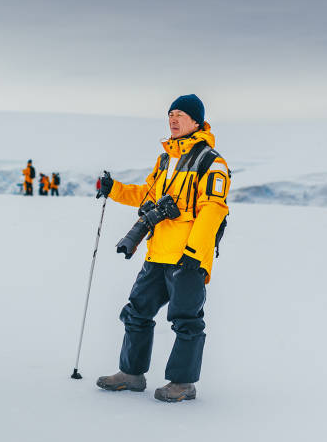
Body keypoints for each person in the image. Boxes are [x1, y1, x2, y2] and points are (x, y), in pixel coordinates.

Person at [95, 94, 229, 403]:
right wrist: (113, 188)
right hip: (157, 252)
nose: (173, 118)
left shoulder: (211, 161)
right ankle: (131, 374)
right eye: (170, 113)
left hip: (187, 256)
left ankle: (182, 383)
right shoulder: (166, 159)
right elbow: (147, 194)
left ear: (196, 121)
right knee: (137, 312)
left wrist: (194, 254)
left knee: (186, 320)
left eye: (180, 114)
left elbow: (213, 209)